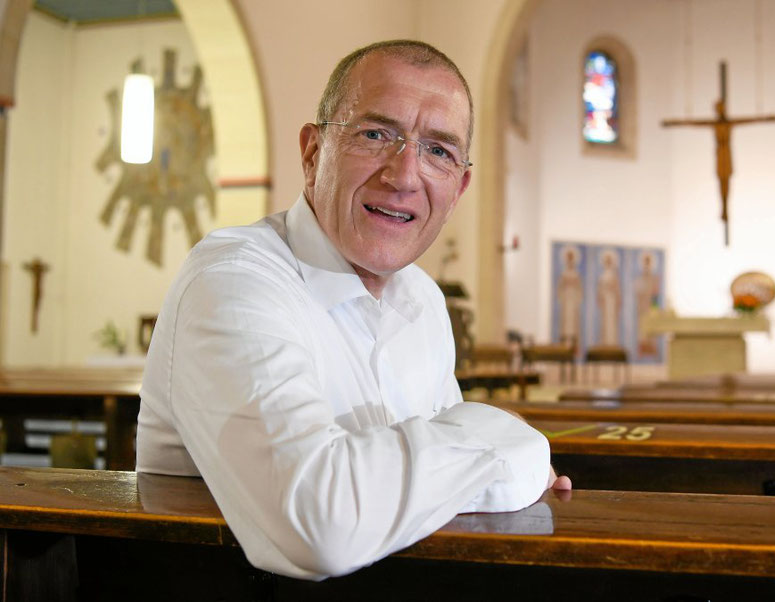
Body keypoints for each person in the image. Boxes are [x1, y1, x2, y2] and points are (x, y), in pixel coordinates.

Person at [136, 40, 569, 581]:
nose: (405, 174)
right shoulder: (233, 281)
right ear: (313, 152)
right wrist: (501, 433)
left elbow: (457, 486)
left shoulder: (425, 302)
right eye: (375, 134)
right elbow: (321, 526)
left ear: (458, 188)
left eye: (438, 150)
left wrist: (484, 458)